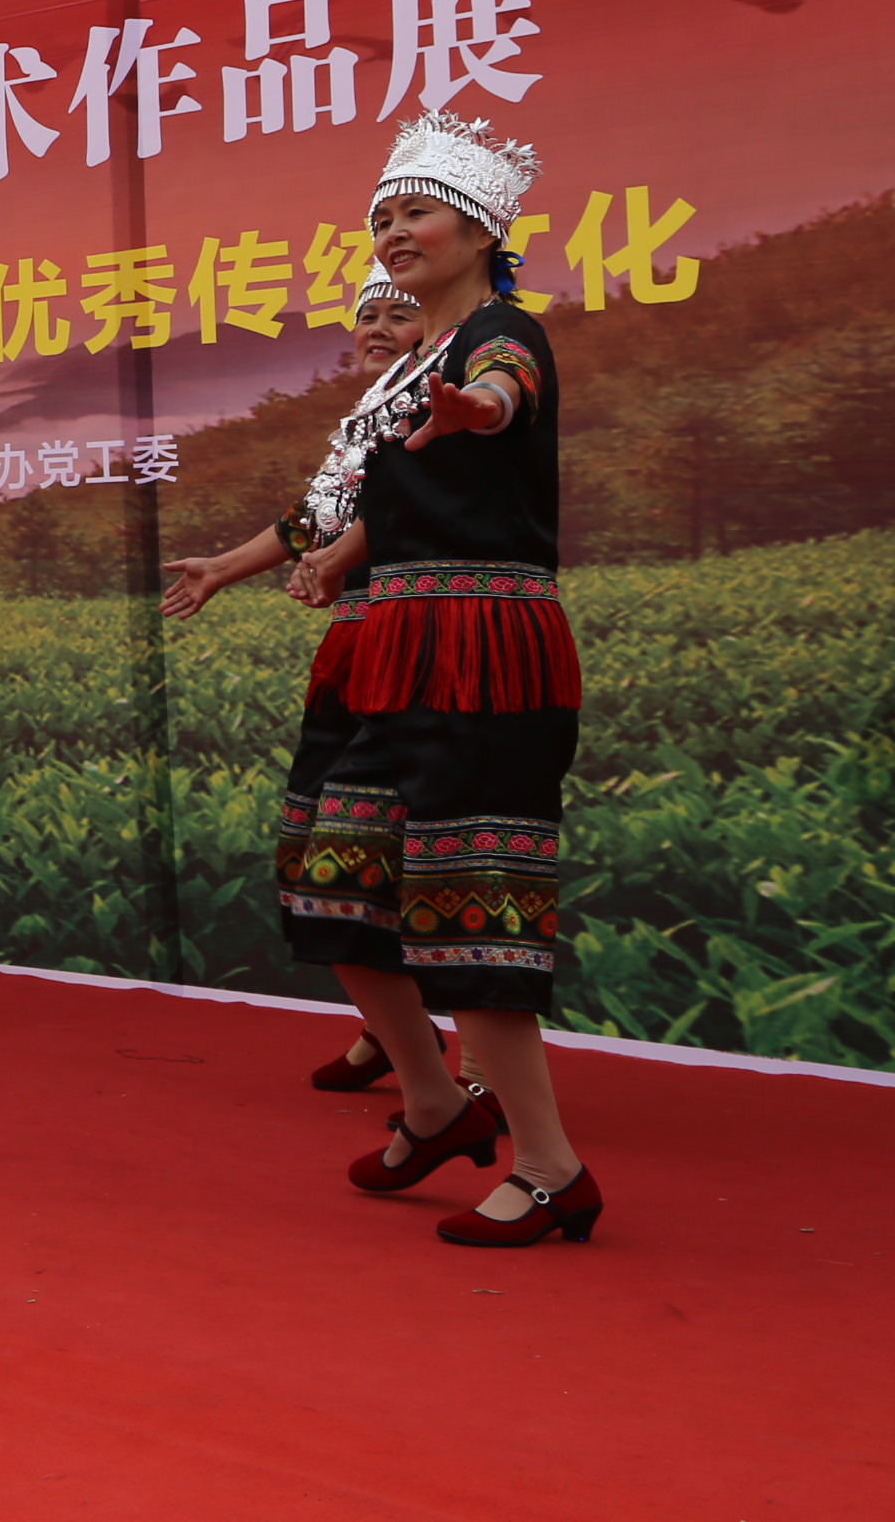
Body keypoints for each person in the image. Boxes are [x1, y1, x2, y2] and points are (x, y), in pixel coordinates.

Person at [275, 111, 599, 1248]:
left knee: (475, 913)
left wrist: (481, 409)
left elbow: (506, 387)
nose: (393, 232)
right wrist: (321, 555)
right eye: (381, 217)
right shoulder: (411, 365)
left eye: (413, 212)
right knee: (335, 882)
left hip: (483, 650)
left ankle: (553, 1164)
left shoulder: (501, 337)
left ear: (478, 227)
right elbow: (386, 501)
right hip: (400, 646)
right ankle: (429, 1096)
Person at [162, 272, 461, 1094]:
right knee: (325, 852)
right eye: (366, 314)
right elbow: (313, 521)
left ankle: (466, 1074)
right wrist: (222, 568)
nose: (376, 327)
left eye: (398, 313)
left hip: (426, 644)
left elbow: (411, 508)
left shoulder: (450, 396)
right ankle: (394, 1036)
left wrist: (338, 556)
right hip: (359, 650)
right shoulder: (368, 419)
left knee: (417, 858)